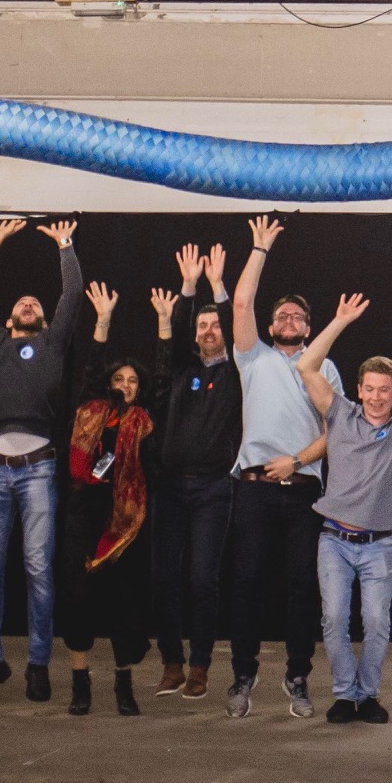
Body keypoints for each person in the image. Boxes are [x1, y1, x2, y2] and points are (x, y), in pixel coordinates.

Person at [297, 297, 392, 724]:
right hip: (334, 541)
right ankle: (346, 695)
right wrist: (339, 321)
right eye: (370, 389)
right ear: (358, 390)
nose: (376, 397)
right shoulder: (340, 414)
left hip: (380, 545)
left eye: (384, 390)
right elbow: (306, 366)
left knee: (376, 622)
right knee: (333, 619)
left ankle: (369, 695)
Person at [225, 214, 342, 721]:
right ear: (271, 328)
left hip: (302, 491)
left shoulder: (324, 367)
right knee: (247, 584)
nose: (289, 318)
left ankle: (297, 677)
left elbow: (335, 432)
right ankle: (242, 675)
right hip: (253, 488)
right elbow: (241, 302)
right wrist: (260, 249)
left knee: (301, 588)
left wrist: (295, 461)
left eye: (298, 315)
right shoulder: (252, 358)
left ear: (309, 328)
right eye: (282, 315)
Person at [0, 216, 81, 707]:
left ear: (45, 321)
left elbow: (71, 295)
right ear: (9, 318)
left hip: (38, 469)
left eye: (35, 303)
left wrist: (65, 246)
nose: (28, 304)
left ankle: (37, 664)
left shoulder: (53, 343)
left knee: (38, 569)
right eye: (21, 302)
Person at [62, 282, 162, 716]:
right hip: (84, 514)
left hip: (126, 520)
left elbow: (165, 373)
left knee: (126, 602)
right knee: (77, 597)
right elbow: (91, 366)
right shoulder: (91, 409)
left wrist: (164, 323)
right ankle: (80, 683)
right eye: (118, 379)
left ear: (141, 387)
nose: (124, 385)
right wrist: (102, 321)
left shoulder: (146, 420)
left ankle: (124, 685)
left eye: (132, 380)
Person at [153, 242, 240, 703]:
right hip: (170, 487)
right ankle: (172, 663)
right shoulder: (181, 367)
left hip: (213, 489)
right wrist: (188, 287)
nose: (208, 331)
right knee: (164, 579)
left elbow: (235, 326)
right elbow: (177, 333)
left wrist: (217, 286)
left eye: (214, 325)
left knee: (202, 580)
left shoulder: (237, 372)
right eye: (202, 325)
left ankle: (200, 665)